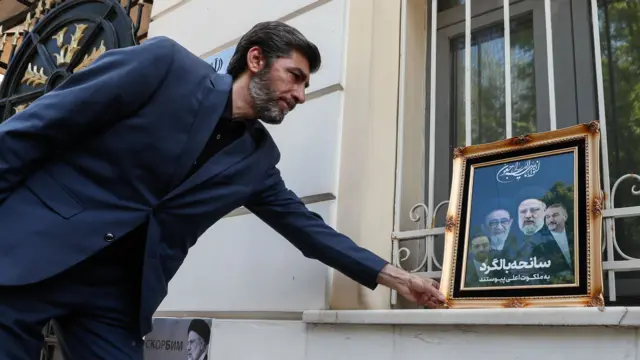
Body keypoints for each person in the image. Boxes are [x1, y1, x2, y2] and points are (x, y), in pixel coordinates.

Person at [0, 21, 445, 359]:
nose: (301, 95)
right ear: (256, 60)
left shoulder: (258, 161)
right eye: (295, 76)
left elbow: (307, 231)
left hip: (114, 298)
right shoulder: (164, 66)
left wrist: (397, 276)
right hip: (34, 254)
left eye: (306, 84)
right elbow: (41, 127)